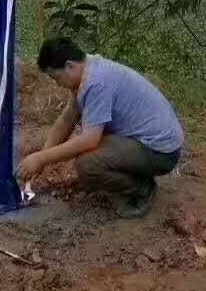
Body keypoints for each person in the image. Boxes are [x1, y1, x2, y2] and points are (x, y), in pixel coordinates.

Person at [17, 39, 184, 218]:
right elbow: (67, 118)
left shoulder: (96, 82)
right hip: (146, 140)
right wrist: (43, 158)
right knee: (91, 154)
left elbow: (90, 140)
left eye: (56, 78)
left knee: (88, 165)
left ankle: (142, 189)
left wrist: (40, 158)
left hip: (160, 152)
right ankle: (134, 179)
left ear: (69, 65)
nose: (57, 84)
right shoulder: (88, 69)